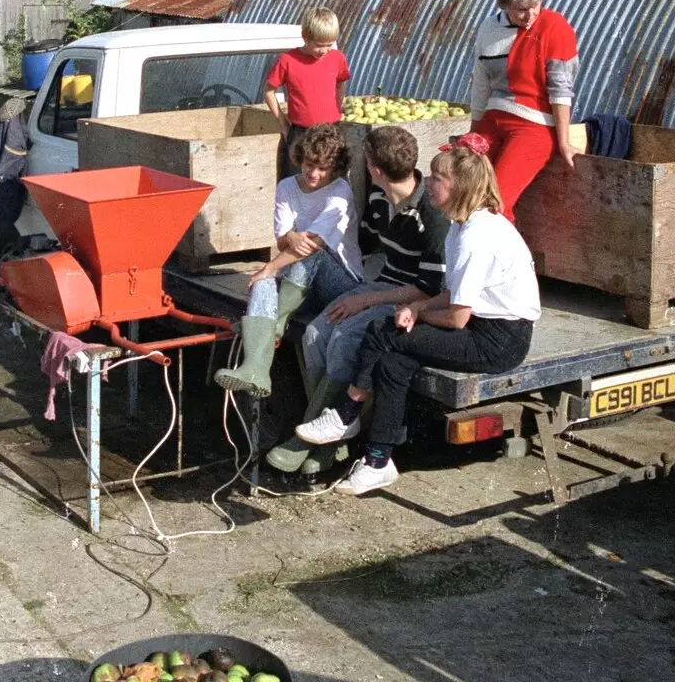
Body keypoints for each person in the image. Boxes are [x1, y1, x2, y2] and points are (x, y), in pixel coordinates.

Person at [297, 133, 539, 496]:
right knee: (393, 362)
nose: (429, 182)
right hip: (480, 324)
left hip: (498, 340)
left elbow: (457, 318)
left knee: (383, 330)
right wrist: (417, 307)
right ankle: (378, 460)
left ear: (458, 186)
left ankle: (347, 413)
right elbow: (452, 295)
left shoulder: (476, 235)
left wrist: (415, 314)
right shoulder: (463, 224)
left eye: (437, 178)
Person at [266, 125, 449, 475]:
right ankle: (327, 438)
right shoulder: (380, 200)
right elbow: (362, 245)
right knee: (315, 334)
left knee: (345, 339)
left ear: (375, 169)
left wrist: (365, 301)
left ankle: (309, 442)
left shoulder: (431, 215)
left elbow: (427, 288)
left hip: (411, 296)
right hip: (381, 282)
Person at [214, 124, 362, 397]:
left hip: (342, 283)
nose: (314, 174)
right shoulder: (286, 187)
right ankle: (255, 368)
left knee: (299, 259)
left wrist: (272, 264)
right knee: (263, 283)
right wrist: (287, 245)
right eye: (309, 165)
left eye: (322, 168)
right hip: (301, 285)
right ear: (300, 159)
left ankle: (270, 331)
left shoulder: (341, 191)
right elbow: (283, 241)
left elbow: (312, 244)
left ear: (335, 168)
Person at [469, 0, 579, 221]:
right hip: (493, 119)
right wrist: (474, 131)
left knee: (496, 202)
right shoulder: (488, 30)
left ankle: (511, 261)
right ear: (504, 4)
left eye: (535, 6)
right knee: (464, 186)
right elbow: (481, 82)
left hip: (533, 125)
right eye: (521, 10)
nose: (530, 16)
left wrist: (563, 142)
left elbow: (561, 89)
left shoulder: (555, 26)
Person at [265, 7, 350, 180]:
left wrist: (337, 106)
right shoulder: (287, 60)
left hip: (331, 130)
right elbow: (268, 91)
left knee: (333, 180)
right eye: (319, 45)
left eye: (329, 45)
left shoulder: (337, 58)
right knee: (299, 181)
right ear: (305, 37)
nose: (325, 50)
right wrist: (284, 125)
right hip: (301, 133)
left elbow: (341, 83)